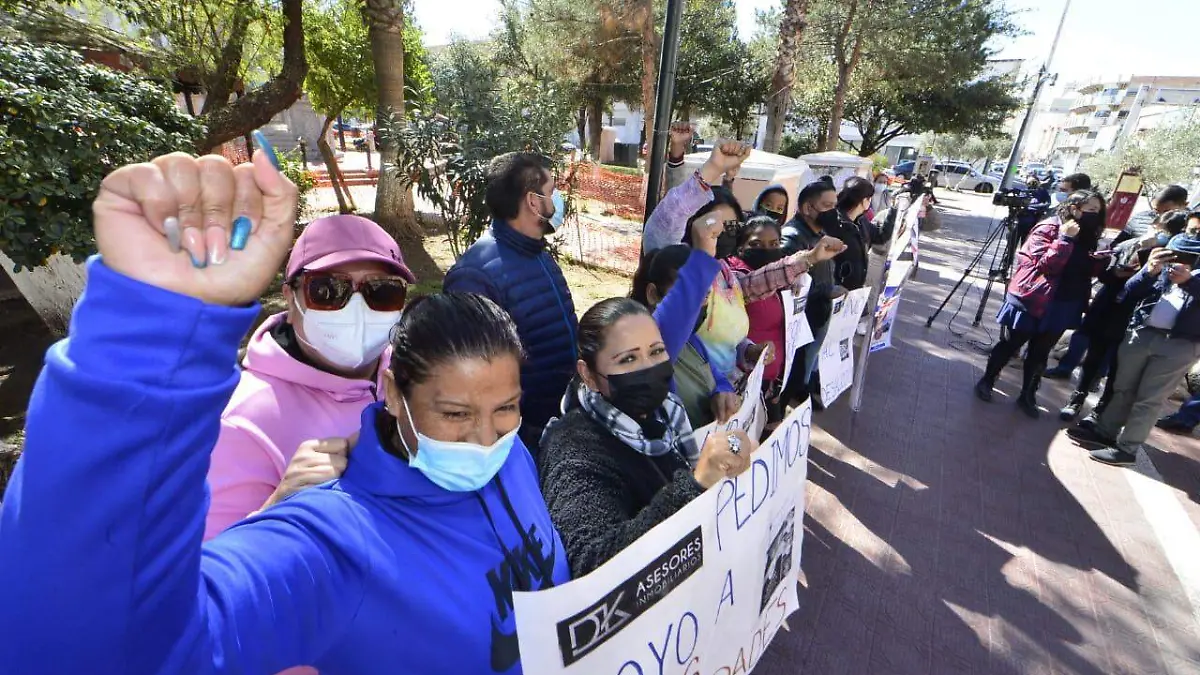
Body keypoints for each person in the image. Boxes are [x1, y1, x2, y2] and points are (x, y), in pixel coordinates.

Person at [0, 149, 570, 674]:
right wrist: (148, 341)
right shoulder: (332, 539)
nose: (482, 438)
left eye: (380, 292)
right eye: (328, 291)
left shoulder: (510, 453)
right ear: (399, 396)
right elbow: (114, 645)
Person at [206, 214, 415, 540]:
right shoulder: (243, 420)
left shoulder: (414, 374)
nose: (357, 308)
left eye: (382, 292)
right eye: (328, 290)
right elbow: (210, 572)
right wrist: (276, 508)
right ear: (291, 298)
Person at [538, 297, 755, 577]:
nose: (648, 368)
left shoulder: (667, 410)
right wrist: (696, 483)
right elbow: (592, 565)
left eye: (656, 351)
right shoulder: (572, 449)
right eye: (628, 359)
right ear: (588, 375)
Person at [444, 152, 576, 451]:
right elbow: (474, 379)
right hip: (523, 441)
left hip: (558, 424)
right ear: (533, 201)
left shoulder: (538, 253)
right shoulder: (474, 275)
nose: (557, 202)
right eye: (552, 192)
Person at [975, 190, 1107, 417]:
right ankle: (987, 380)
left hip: (1064, 303)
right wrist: (1065, 239)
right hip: (1033, 298)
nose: (1095, 215)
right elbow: (1047, 266)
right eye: (1090, 209)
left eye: (1098, 211)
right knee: (1011, 343)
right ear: (1074, 208)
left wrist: (1101, 261)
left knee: (1041, 351)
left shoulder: (1090, 236)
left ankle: (1028, 394)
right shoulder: (1048, 228)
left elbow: (1086, 271)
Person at [1054, 210, 1191, 420]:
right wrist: (1121, 267)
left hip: (1136, 318)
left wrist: (1150, 267)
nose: (1158, 234)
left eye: (1165, 232)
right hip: (1110, 307)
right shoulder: (1132, 244)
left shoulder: (1178, 259)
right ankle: (1077, 398)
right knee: (1094, 356)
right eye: (1157, 228)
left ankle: (1101, 410)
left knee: (1119, 369)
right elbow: (1104, 271)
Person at [1079, 232, 1200, 466]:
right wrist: (1148, 271)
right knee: (1122, 388)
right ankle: (1105, 432)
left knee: (1149, 398)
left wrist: (1188, 281)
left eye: (1188, 255)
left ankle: (1127, 448)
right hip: (1142, 334)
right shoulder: (1162, 267)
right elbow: (1129, 291)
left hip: (1180, 344)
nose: (1180, 259)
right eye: (1175, 253)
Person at [630, 219, 739, 428]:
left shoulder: (694, 342)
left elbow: (717, 376)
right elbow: (673, 317)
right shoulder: (650, 338)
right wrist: (703, 254)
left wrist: (722, 391)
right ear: (653, 294)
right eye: (689, 295)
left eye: (705, 296)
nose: (696, 305)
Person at [780, 180, 845, 406]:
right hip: (798, 323)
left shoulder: (820, 233)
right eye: (827, 206)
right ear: (808, 208)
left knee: (802, 368)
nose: (833, 212)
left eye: (835, 206)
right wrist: (827, 291)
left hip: (815, 317)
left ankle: (799, 391)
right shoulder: (792, 237)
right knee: (791, 374)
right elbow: (789, 287)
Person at [726, 216, 790, 428]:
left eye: (774, 244)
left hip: (771, 381)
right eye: (756, 244)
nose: (766, 250)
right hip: (742, 383)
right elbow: (760, 284)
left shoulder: (784, 282)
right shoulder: (736, 280)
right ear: (741, 247)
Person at [831, 176, 884, 292]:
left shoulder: (861, 221)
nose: (870, 202)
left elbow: (879, 236)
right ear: (863, 200)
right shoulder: (837, 223)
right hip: (837, 292)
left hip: (855, 291)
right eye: (869, 198)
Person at [1122, 184, 1189, 238]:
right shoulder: (1139, 218)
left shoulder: (1192, 225)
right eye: (1156, 210)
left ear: (1184, 205)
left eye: (1167, 212)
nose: (1160, 216)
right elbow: (1117, 245)